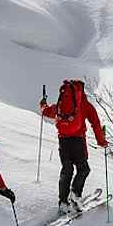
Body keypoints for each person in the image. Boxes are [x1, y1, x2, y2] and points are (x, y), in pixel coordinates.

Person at [39, 79, 106, 213]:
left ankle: (63, 202)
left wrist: (43, 104)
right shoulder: (84, 104)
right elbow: (95, 123)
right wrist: (101, 141)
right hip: (78, 141)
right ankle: (76, 194)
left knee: (67, 169)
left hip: (63, 140)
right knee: (83, 169)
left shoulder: (61, 103)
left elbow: (46, 112)